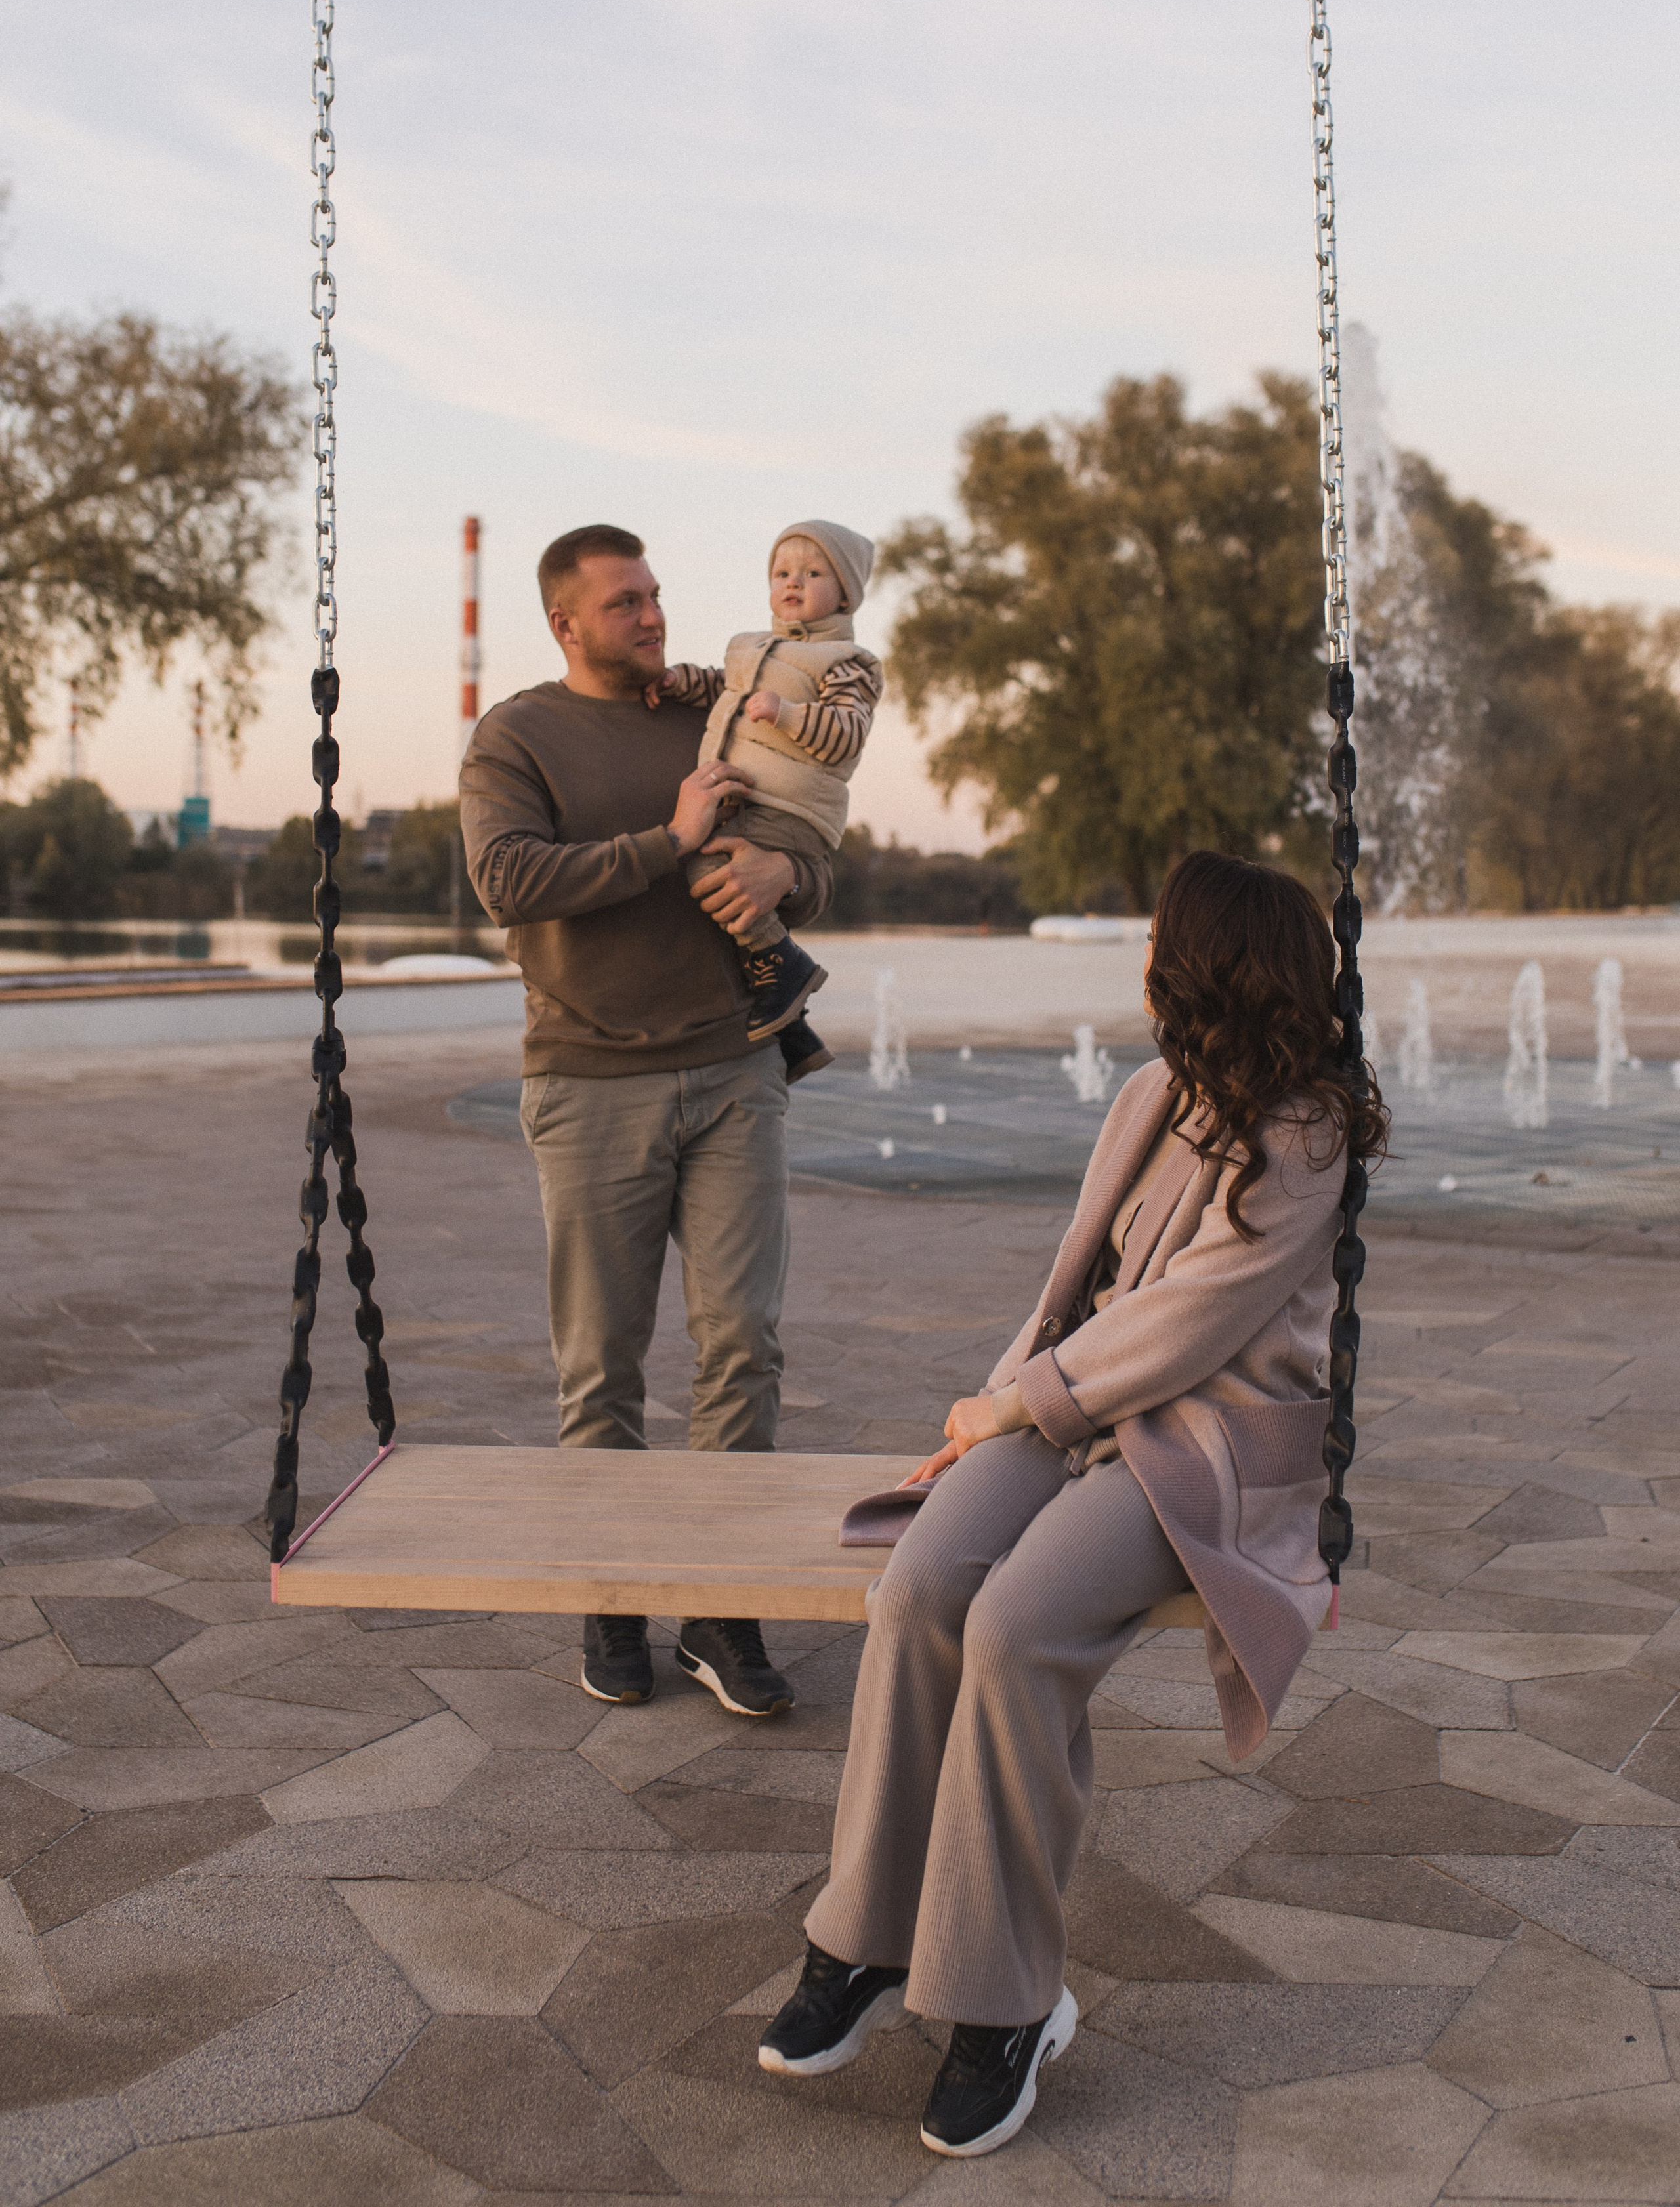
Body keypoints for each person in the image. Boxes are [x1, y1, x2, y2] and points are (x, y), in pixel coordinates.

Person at [757, 851, 1386, 2159]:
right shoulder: (1156, 1094)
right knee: (924, 1585)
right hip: (1074, 1402)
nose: (1144, 958)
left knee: (1014, 1630)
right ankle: (867, 1941)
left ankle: (1007, 2006)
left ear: (1204, 961)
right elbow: (1077, 1286)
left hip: (1203, 1441)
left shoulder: (1305, 1131)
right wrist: (991, 1408)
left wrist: (1016, 1406)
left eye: (1161, 940)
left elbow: (1181, 1322)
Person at [459, 524, 837, 1719]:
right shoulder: (516, 736)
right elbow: (508, 881)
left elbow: (807, 833)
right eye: (626, 603)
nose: (655, 616)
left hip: (736, 1074)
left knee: (744, 1349)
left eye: (658, 595)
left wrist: (790, 880)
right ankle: (613, 1593)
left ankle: (722, 1609)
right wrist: (667, 841)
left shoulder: (713, 714)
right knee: (603, 1369)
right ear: (566, 623)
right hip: (588, 1084)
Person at [657, 519, 881, 1082]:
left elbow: (847, 732)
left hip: (792, 809)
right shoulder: (748, 647)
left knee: (709, 869)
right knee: (725, 911)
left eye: (811, 572)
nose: (793, 583)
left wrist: (785, 713)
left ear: (846, 591)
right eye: (782, 572)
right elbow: (722, 689)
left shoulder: (846, 662)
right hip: (749, 803)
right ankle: (794, 1032)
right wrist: (680, 681)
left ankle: (788, 964)